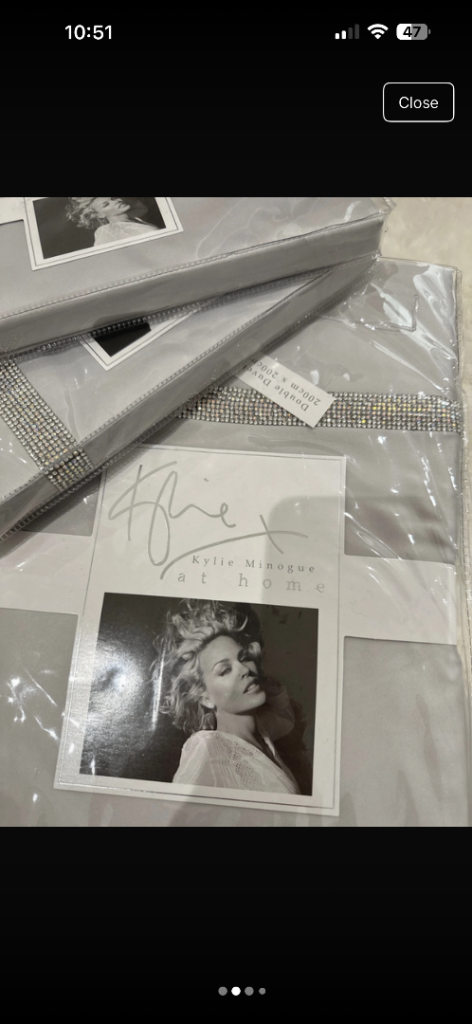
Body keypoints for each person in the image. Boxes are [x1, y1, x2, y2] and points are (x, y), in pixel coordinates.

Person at [155, 600, 310, 794]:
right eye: (225, 670)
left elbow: (285, 715)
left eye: (244, 658)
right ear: (204, 697)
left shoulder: (264, 732)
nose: (244, 669)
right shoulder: (207, 750)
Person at [65, 196, 161, 246]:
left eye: (113, 198)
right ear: (100, 215)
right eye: (106, 205)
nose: (116, 201)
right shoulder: (106, 231)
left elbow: (142, 208)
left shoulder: (134, 218)